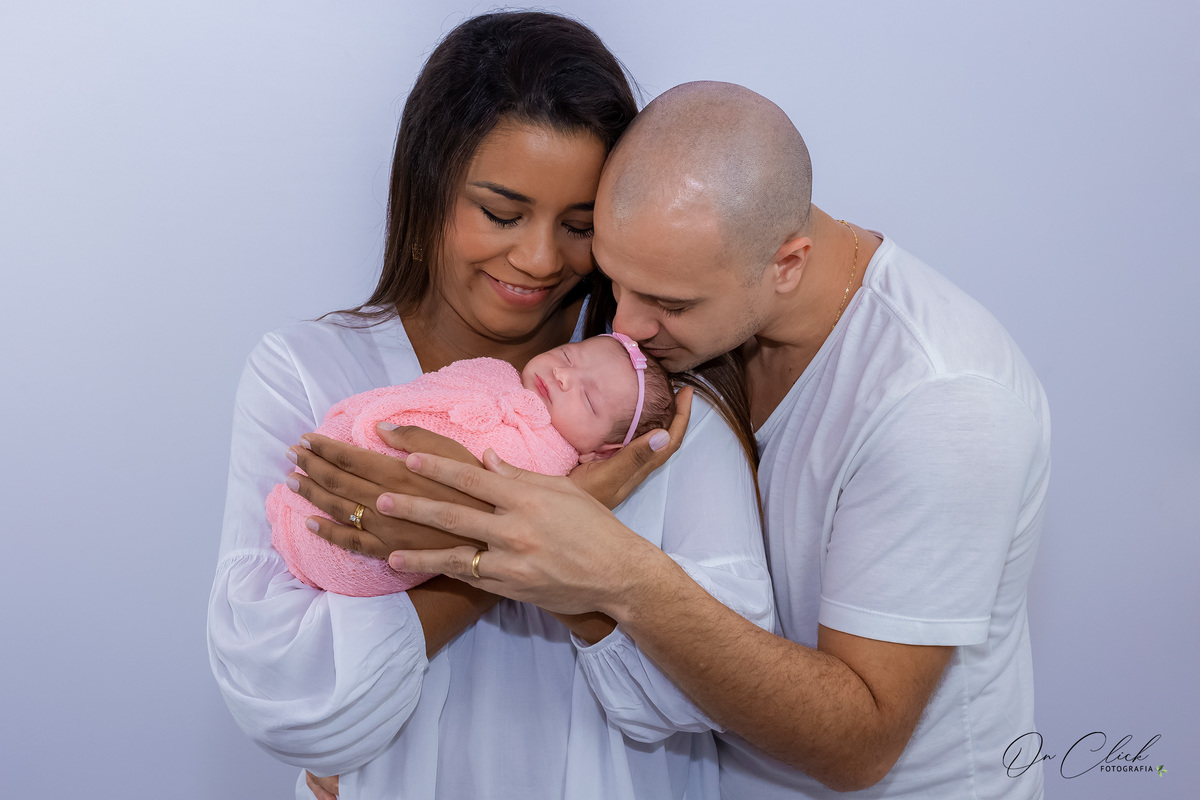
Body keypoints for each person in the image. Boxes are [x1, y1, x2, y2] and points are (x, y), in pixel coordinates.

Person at [348, 82, 1051, 799]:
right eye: (617, 283)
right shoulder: (699, 320)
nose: (628, 326)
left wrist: (620, 572)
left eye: (669, 304)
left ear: (787, 263)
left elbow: (858, 745)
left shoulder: (940, 401)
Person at [207, 15, 774, 800]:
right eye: (501, 213)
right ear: (429, 185)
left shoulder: (656, 414)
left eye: (579, 226)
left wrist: (492, 550)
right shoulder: (309, 374)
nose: (540, 260)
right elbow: (296, 705)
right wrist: (550, 534)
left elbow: (713, 700)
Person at [268, 334, 674, 597]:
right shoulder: (495, 373)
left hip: (373, 541)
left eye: (589, 399)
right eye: (569, 355)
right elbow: (429, 391)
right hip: (340, 468)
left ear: (600, 453)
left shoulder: (549, 470)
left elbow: (500, 499)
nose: (564, 376)